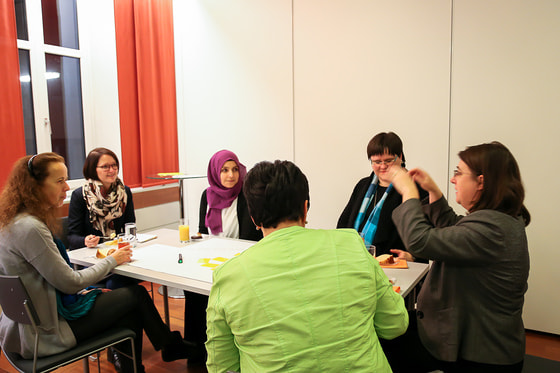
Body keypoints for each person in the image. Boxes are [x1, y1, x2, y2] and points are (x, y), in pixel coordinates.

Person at [0, 153, 198, 373]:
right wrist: (112, 260)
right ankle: (169, 347)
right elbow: (70, 283)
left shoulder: (12, 222)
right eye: (59, 181)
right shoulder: (31, 228)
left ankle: (146, 360)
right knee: (135, 296)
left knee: (129, 304)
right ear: (33, 186)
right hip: (47, 332)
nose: (66, 187)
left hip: (25, 328)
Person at [206, 160, 408, 372]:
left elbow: (222, 365)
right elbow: (395, 324)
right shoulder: (352, 245)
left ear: (254, 218)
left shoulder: (228, 276)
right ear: (305, 207)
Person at [380, 141, 530, 373]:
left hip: (480, 353)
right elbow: (456, 228)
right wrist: (434, 192)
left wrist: (409, 192)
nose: (453, 180)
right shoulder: (500, 220)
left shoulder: (492, 228)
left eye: (459, 173)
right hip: (476, 337)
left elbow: (420, 240)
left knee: (385, 339)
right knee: (391, 328)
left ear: (481, 181)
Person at [184, 150, 262, 362]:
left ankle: (220, 347)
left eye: (235, 169)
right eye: (225, 170)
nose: (231, 175)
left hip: (239, 259)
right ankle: (195, 347)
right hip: (211, 258)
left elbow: (247, 239)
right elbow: (202, 231)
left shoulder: (245, 195)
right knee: (190, 288)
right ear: (214, 173)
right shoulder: (206, 195)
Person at [337, 131, 427, 259]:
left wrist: (412, 257)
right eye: (377, 162)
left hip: (397, 267)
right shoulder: (363, 185)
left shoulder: (415, 188)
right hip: (355, 261)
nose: (383, 166)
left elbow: (425, 236)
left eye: (388, 160)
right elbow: (343, 224)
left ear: (400, 157)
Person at [67, 147, 136, 289]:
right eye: (105, 167)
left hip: (120, 256)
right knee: (116, 284)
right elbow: (72, 237)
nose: (111, 170)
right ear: (93, 169)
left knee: (124, 280)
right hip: (93, 261)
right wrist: (85, 241)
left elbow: (130, 225)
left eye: (114, 165)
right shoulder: (80, 196)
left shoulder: (125, 192)